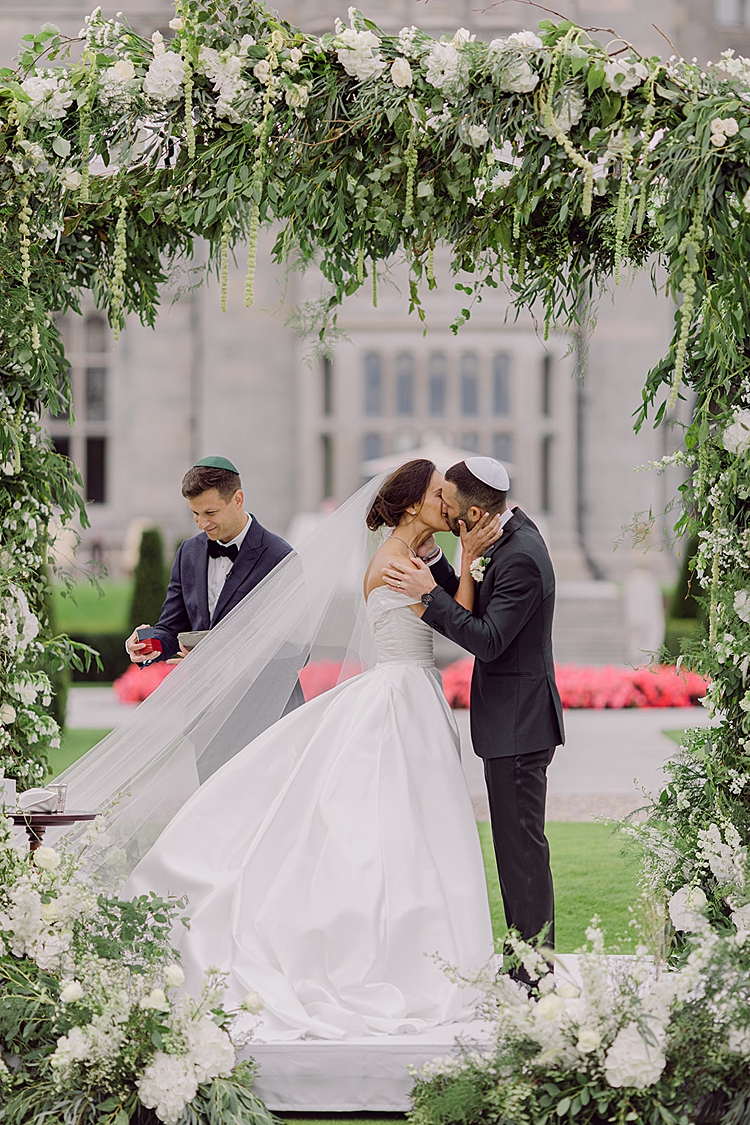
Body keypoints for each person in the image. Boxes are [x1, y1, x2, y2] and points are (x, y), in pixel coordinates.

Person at [122, 459, 500, 1041]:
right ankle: (388, 952)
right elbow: (463, 627)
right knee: (391, 831)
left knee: (417, 829)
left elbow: (456, 611)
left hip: (413, 695)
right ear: (409, 506)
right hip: (402, 696)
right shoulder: (399, 565)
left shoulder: (420, 558)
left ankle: (422, 945)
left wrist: (457, 562)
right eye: (436, 494)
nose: (448, 500)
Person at [383, 456, 565, 958]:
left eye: (448, 500)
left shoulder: (521, 555)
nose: (441, 505)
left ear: (475, 510)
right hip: (510, 722)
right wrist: (446, 565)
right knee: (514, 850)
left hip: (520, 725)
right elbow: (479, 603)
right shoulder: (497, 539)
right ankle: (524, 963)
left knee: (522, 852)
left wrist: (427, 594)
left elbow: (487, 640)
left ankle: (533, 972)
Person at [125, 456, 299, 672]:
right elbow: (171, 628)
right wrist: (147, 645)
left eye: (210, 513)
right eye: (195, 514)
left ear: (237, 500)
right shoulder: (188, 552)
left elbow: (296, 650)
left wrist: (226, 660)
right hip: (204, 701)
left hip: (265, 701)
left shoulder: (280, 557)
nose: (201, 524)